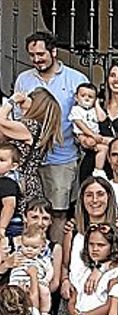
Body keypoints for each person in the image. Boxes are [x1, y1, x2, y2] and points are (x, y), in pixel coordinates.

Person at [14, 32, 88, 241]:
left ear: (53, 52)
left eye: (40, 54)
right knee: (29, 213)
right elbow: (19, 118)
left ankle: (55, 257)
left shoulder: (76, 79)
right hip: (28, 160)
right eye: (32, 55)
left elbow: (83, 117)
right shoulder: (24, 79)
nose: (36, 59)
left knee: (58, 211)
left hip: (62, 157)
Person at [0, 89, 63, 232]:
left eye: (29, 97)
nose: (24, 99)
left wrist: (13, 100)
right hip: (28, 182)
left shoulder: (31, 126)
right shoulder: (37, 128)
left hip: (20, 184)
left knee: (18, 226)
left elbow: (1, 121)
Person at [6, 226, 53, 315]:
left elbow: (50, 270)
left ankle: (44, 311)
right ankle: (14, 312)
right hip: (17, 282)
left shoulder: (43, 260)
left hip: (36, 282)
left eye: (34, 247)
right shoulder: (17, 255)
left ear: (42, 247)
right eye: (26, 246)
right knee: (12, 295)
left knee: (45, 291)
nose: (29, 249)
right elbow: (7, 262)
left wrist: (46, 279)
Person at [69, 82, 111, 177]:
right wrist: (92, 135)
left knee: (108, 146)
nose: (87, 98)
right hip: (84, 135)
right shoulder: (76, 110)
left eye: (90, 97)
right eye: (83, 95)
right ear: (76, 97)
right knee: (95, 143)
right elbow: (80, 124)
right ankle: (98, 171)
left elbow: (102, 118)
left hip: (96, 136)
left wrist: (96, 104)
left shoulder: (93, 111)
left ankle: (99, 169)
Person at [0, 144, 22, 240]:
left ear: (14, 166)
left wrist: (2, 227)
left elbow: (9, 205)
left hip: (9, 227)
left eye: (1, 160)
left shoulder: (6, 182)